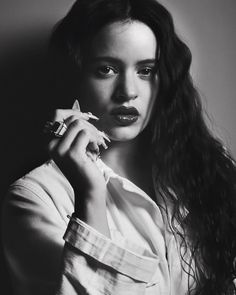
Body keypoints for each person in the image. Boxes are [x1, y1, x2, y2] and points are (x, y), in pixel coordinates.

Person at [1, 0, 236, 294]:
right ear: (75, 75)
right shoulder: (34, 199)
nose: (128, 91)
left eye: (146, 70)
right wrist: (90, 193)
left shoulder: (205, 169)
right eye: (107, 69)